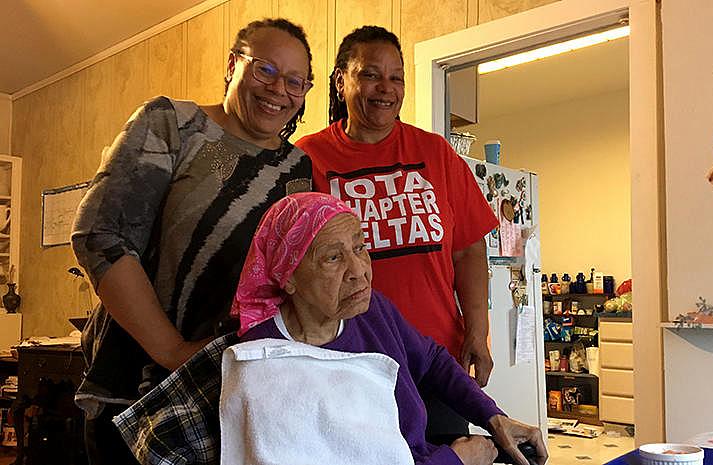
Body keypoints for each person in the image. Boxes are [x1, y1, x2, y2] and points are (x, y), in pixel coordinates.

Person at [113, 192, 548, 465]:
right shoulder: (267, 361)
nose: (360, 271)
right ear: (287, 276)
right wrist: (457, 459)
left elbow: (432, 360)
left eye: (361, 248)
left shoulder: (372, 309)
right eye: (333, 258)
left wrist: (492, 417)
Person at [70, 18, 315, 464]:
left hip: (234, 395)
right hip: (138, 391)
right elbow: (102, 237)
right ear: (232, 65)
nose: (280, 89)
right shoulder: (173, 124)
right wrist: (173, 351)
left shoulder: (299, 169)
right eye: (265, 69)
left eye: (296, 81)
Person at [294, 25, 498, 438]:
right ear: (341, 81)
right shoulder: (306, 159)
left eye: (396, 76)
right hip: (346, 363)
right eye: (370, 74)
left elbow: (468, 250)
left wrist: (478, 329)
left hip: (436, 362)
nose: (385, 88)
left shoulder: (435, 152)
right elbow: (291, 265)